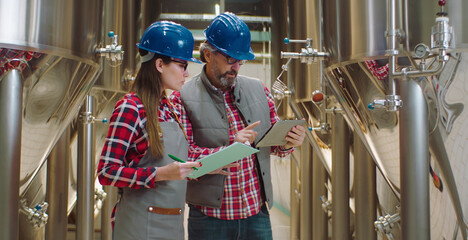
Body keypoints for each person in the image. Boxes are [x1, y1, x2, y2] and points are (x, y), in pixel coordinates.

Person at [171, 12, 306, 240]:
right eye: (230, 60)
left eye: (240, 61)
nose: (236, 67)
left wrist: (287, 142)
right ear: (207, 55)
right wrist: (230, 148)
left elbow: (270, 143)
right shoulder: (182, 97)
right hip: (209, 218)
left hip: (256, 214)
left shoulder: (259, 90)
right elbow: (182, 159)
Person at [97, 21, 202, 240]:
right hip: (139, 227)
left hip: (172, 224)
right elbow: (106, 171)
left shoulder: (169, 108)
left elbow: (181, 157)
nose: (186, 73)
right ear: (160, 64)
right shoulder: (131, 108)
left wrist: (211, 163)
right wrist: (160, 174)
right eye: (182, 65)